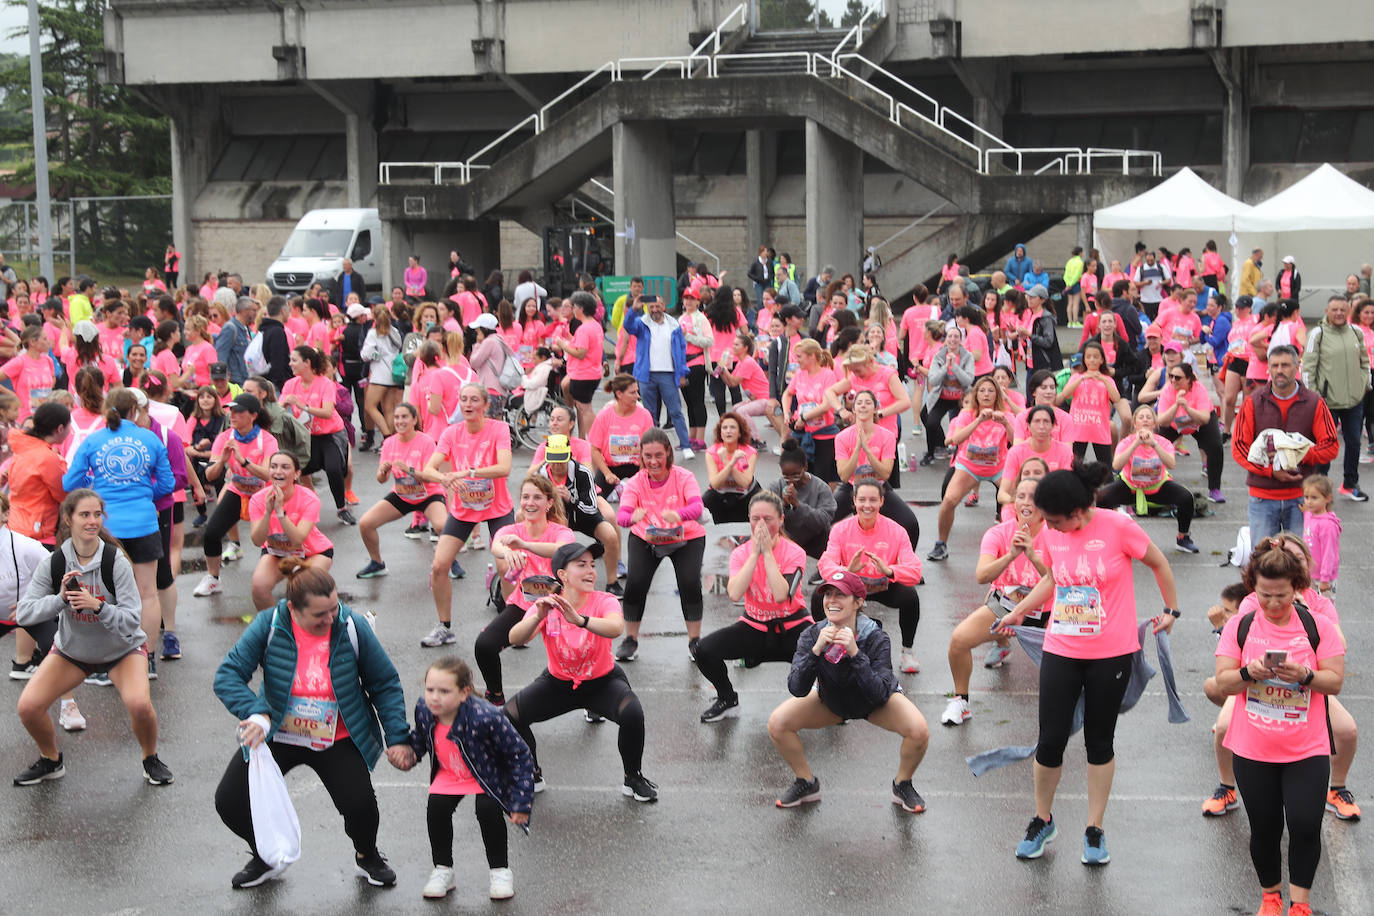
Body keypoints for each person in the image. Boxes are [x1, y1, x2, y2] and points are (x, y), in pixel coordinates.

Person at [999, 463, 1179, 866]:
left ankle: (1094, 829)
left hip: (1110, 653)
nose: (1052, 527)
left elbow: (1159, 563)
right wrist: (1020, 611)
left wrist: (1171, 609)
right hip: (1062, 648)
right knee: (1050, 741)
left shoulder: (1118, 527)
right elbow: (1054, 580)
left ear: (1080, 511)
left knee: (1099, 742)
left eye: (1058, 521)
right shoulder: (1053, 532)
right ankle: (1042, 819)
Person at [212, 562, 411, 889]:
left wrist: (398, 737)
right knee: (230, 801)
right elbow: (227, 675)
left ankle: (367, 855)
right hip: (278, 732)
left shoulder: (351, 626)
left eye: (334, 608)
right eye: (320, 614)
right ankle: (265, 854)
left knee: (360, 806)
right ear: (293, 608)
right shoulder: (270, 623)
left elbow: (385, 683)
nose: (330, 618)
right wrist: (257, 713)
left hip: (336, 735)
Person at [1214, 546, 1343, 916]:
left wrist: (1306, 676)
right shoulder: (1242, 625)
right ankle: (1270, 897)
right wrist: (1247, 674)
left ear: (1296, 588)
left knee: (1304, 825)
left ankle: (1299, 904)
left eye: (1281, 595)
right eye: (1264, 594)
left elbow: (1334, 682)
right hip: (1253, 748)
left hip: (1306, 748)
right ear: (1253, 586)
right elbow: (1224, 682)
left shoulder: (1316, 627)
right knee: (1265, 829)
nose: (1272, 603)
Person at [14, 489, 172, 787]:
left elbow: (130, 621)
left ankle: (150, 757)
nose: (92, 521)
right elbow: (25, 613)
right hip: (74, 652)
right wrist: (60, 599)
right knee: (28, 707)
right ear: (67, 519)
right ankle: (51, 760)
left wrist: (97, 606)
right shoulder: (55, 562)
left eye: (97, 514)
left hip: (122, 650)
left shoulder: (116, 561)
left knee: (139, 704)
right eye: (84, 515)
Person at [503, 541, 658, 802]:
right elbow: (515, 637)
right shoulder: (547, 604)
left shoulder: (604, 600)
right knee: (510, 715)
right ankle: (531, 773)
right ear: (562, 575)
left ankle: (633, 777)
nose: (590, 571)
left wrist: (581, 620)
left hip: (602, 681)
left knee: (632, 712)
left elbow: (616, 627)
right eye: (581, 565)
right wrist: (536, 616)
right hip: (558, 683)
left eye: (592, 565)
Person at [768, 570, 930, 813]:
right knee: (778, 723)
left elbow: (879, 693)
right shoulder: (812, 634)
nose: (831, 600)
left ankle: (902, 784)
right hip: (831, 701)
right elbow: (797, 688)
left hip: (874, 703)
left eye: (840, 595)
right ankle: (806, 782)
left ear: (858, 602)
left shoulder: (876, 638)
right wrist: (816, 651)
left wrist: (855, 653)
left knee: (918, 730)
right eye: (828, 594)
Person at [62, 388, 174, 678]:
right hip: (144, 523)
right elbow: (167, 483)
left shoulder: (94, 440)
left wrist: (97, 486)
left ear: (106, 411)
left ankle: (105, 662)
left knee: (105, 593)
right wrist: (143, 491)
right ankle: (146, 660)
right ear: (134, 411)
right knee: (148, 593)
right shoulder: (150, 438)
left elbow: (70, 482)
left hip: (105, 527)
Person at [403, 657, 533, 902]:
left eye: (443, 691)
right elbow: (420, 738)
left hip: (487, 773)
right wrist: (408, 754)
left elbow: (519, 754)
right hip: (451, 772)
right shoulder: (424, 709)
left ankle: (500, 871)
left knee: (487, 809)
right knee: (437, 807)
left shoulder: (486, 716)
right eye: (430, 690)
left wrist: (521, 802)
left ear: (464, 693)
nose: (434, 697)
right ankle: (443, 869)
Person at [941, 470, 1052, 726]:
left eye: (1033, 497)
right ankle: (961, 700)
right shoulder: (999, 533)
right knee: (959, 640)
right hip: (1005, 607)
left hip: (1046, 612)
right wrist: (1011, 555)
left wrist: (1034, 557)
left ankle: (1071, 705)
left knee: (1066, 662)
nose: (1026, 502)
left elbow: (1060, 581)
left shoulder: (1057, 533)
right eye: (1020, 496)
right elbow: (982, 575)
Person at [692, 490, 810, 722]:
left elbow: (780, 596)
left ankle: (829, 699)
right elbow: (735, 594)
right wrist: (755, 553)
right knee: (703, 650)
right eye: (755, 519)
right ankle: (727, 699)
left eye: (768, 519)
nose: (761, 525)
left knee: (830, 652)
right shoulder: (740, 553)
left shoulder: (795, 552)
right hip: (754, 627)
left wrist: (768, 554)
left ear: (781, 520)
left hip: (792, 626)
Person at [473, 475, 574, 706]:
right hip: (524, 604)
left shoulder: (560, 531)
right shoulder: (512, 530)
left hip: (560, 606)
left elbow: (562, 549)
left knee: (577, 652)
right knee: (484, 645)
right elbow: (498, 545)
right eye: (526, 497)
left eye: (537, 497)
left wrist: (526, 546)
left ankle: (592, 699)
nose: (530, 502)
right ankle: (496, 697)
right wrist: (506, 552)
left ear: (549, 502)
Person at [615, 429, 706, 662]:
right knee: (635, 582)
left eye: (658, 455)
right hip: (647, 538)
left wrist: (679, 514)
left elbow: (697, 508)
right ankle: (631, 639)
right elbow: (622, 516)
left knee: (689, 582)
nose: (653, 461)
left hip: (686, 537)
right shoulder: (636, 482)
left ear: (668, 453)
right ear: (641, 457)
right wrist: (632, 517)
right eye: (648, 456)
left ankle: (695, 641)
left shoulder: (683, 477)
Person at [1232, 345, 1340, 541]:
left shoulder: (1315, 402)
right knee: (1263, 562)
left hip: (1302, 498)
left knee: (1300, 561)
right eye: (1275, 365)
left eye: (1285, 365)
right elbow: (1239, 447)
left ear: (1297, 366)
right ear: (1268, 369)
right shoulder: (1253, 402)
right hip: (1262, 497)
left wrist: (1299, 455)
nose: (1279, 370)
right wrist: (1269, 470)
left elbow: (1331, 445)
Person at [816, 477, 923, 674]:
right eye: (862, 500)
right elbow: (825, 564)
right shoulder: (840, 529)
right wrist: (847, 571)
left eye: (873, 500)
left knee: (910, 597)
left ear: (882, 502)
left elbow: (915, 570)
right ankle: (827, 643)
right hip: (851, 586)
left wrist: (890, 570)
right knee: (818, 596)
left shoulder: (897, 531)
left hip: (882, 584)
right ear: (854, 501)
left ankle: (907, 650)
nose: (867, 505)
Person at [192, 393, 277, 597]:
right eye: (231, 411)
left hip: (264, 494)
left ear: (253, 415)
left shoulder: (267, 440)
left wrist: (243, 460)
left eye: (239, 412)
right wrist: (222, 461)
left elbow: (269, 475)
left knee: (271, 542)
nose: (233, 415)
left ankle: (277, 578)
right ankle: (213, 579)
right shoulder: (224, 438)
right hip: (237, 491)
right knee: (211, 533)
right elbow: (210, 476)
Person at [928, 375, 1015, 562]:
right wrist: (978, 421)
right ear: (976, 395)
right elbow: (956, 439)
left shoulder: (1005, 415)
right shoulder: (967, 415)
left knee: (1014, 502)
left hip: (997, 467)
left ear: (997, 395)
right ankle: (941, 544)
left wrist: (1006, 423)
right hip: (969, 467)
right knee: (949, 501)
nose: (986, 394)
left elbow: (1016, 441)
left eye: (991, 391)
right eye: (982, 391)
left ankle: (1012, 545)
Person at [356, 403, 449, 579]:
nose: (400, 421)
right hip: (402, 494)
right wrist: (383, 471)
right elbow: (381, 479)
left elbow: (431, 476)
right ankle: (377, 563)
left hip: (428, 494)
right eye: (397, 417)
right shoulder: (389, 443)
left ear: (414, 420)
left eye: (404, 417)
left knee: (442, 525)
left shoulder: (426, 442)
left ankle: (450, 562)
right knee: (366, 523)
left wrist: (410, 470)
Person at [1095, 404, 1199, 553]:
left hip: (1157, 486)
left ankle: (1183, 538)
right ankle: (1104, 537)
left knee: (1186, 498)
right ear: (1135, 423)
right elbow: (1116, 464)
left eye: (1149, 417)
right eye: (1141, 417)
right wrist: (1136, 443)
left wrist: (1154, 445)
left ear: (1154, 423)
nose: (1145, 420)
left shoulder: (1163, 442)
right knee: (1100, 498)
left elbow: (1171, 464)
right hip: (1130, 486)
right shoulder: (1126, 442)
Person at [832, 390, 921, 547]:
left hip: (879, 486)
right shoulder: (842, 437)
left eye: (868, 403)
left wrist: (867, 450)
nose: (863, 406)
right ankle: (833, 562)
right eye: (859, 403)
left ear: (875, 408)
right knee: (821, 520)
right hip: (853, 486)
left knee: (910, 523)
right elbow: (844, 476)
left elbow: (885, 473)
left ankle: (903, 563)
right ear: (853, 409)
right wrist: (857, 448)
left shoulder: (887, 436)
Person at [248, 451, 334, 610]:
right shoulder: (258, 499)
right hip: (276, 552)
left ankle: (323, 624)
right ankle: (274, 628)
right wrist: (268, 512)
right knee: (259, 587)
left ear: (296, 474)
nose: (278, 471)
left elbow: (297, 539)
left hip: (313, 552)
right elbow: (257, 541)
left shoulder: (309, 498)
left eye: (285, 467)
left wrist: (280, 512)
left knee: (304, 589)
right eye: (273, 467)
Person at [1303, 295, 1370, 501]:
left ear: (1348, 310)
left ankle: (1350, 483)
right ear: (1327, 310)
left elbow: (1364, 362)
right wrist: (1314, 397)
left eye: (1343, 309)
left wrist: (1364, 385)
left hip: (1354, 401)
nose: (1339, 313)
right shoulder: (1318, 334)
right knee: (1325, 446)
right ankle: (1321, 485)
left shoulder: (1356, 332)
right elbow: (1308, 367)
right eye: (1335, 310)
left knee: (1354, 443)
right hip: (1326, 402)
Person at [282, 345, 355, 525]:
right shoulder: (290, 384)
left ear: (307, 363)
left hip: (330, 434)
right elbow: (279, 410)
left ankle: (341, 509)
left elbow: (328, 412)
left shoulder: (325, 383)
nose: (290, 363)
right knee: (294, 471)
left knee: (334, 469)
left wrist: (302, 406)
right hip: (306, 437)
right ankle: (302, 507)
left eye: (294, 360)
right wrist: (283, 406)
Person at [620, 295, 692, 458]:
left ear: (664, 306)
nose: (654, 310)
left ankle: (686, 445)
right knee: (649, 413)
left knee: (675, 411)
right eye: (651, 307)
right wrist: (635, 309)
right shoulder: (642, 322)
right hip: (647, 375)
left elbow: (681, 350)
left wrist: (682, 373)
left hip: (668, 374)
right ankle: (651, 447)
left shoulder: (674, 325)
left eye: (657, 306)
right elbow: (628, 326)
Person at [1154, 362, 1226, 504]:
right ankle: (1154, 485)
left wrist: (1186, 407)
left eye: (1178, 378)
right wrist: (1176, 405)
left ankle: (1214, 489)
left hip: (1199, 422)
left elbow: (1205, 418)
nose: (1173, 380)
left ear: (1188, 379)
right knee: (1154, 445)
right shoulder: (1167, 391)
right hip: (1175, 424)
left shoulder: (1199, 389)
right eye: (1171, 376)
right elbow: (1162, 421)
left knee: (1216, 447)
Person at [766, 439, 837, 561]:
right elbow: (767, 518)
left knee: (830, 539)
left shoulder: (821, 488)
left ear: (805, 467)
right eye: (786, 476)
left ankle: (823, 569)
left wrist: (798, 505)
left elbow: (824, 521)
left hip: (815, 538)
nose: (792, 480)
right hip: (786, 539)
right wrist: (784, 505)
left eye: (796, 475)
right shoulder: (776, 487)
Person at [588, 374, 653, 498]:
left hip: (638, 466)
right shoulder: (604, 415)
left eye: (637, 392)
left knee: (650, 496)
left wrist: (642, 473)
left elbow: (649, 448)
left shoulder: (645, 415)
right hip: (611, 467)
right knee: (594, 499)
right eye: (632, 393)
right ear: (619, 394)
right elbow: (594, 449)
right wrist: (607, 474)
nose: (638, 396)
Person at [920, 325, 974, 465]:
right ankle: (932, 452)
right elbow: (933, 379)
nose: (953, 339)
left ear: (960, 340)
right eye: (950, 336)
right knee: (930, 421)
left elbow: (968, 380)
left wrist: (954, 367)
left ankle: (961, 453)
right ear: (946, 339)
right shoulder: (939, 356)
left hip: (961, 399)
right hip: (942, 397)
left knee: (961, 427)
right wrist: (945, 367)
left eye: (956, 336)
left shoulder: (967, 356)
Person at [701, 411, 759, 524]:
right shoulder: (711, 452)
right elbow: (715, 484)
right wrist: (730, 462)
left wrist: (727, 462)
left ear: (740, 433)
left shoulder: (750, 452)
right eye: (725, 428)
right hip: (720, 494)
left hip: (745, 494)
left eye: (733, 427)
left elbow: (745, 482)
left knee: (765, 502)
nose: (728, 431)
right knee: (702, 503)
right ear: (720, 433)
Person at [360, 304, 404, 440]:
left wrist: (376, 356)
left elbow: (365, 355)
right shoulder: (395, 332)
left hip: (379, 376)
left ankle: (386, 435)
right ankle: (392, 439)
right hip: (393, 375)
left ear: (374, 316)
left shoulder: (373, 333)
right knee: (389, 410)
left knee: (369, 406)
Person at [1301, 476, 1341, 593]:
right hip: (1309, 574)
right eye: (1306, 497)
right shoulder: (1309, 514)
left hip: (1322, 578)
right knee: (1308, 607)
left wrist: (1325, 578)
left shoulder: (1328, 525)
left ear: (1328, 498)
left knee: (1324, 609)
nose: (1309, 501)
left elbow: (1329, 553)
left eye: (1314, 498)